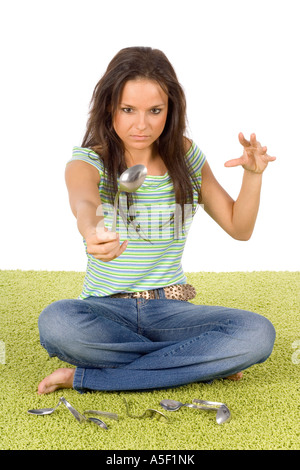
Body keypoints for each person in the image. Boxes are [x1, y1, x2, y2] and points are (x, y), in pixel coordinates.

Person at [37, 47, 276, 395]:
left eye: (155, 111)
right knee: (57, 323)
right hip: (105, 312)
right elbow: (84, 200)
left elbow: (240, 228)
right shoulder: (89, 160)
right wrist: (91, 229)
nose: (141, 124)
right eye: (128, 109)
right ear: (110, 106)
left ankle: (94, 378)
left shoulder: (186, 156)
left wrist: (253, 175)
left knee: (257, 333)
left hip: (171, 311)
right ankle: (197, 363)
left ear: (170, 109)